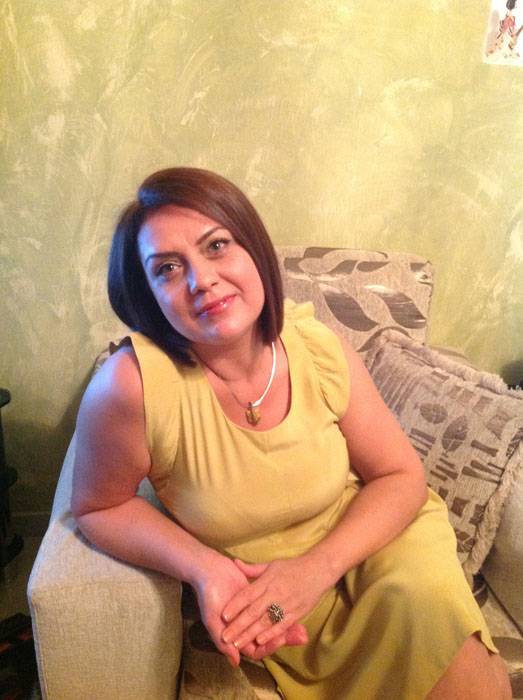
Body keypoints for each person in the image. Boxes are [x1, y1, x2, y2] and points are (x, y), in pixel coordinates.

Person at [71, 167, 512, 699]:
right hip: (269, 598)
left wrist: (314, 571)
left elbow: (400, 476)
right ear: (149, 295)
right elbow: (100, 508)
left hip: (375, 543)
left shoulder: (318, 346)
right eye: (167, 268)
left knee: (465, 669)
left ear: (253, 249)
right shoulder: (131, 387)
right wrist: (204, 568)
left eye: (217, 246)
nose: (201, 279)